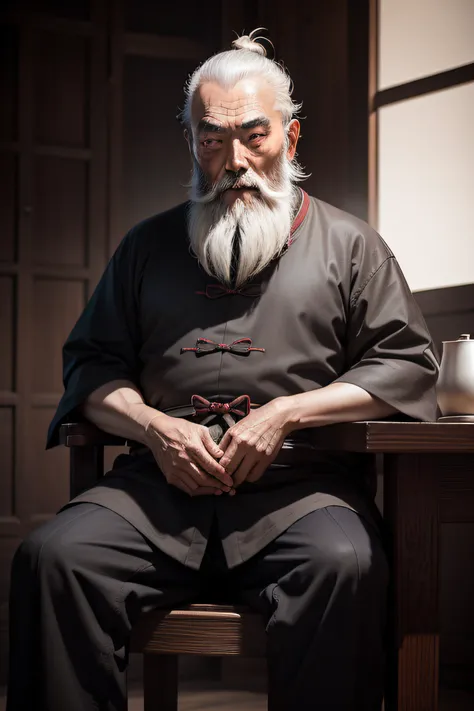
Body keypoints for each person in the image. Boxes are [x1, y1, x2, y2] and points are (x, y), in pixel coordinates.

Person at [7, 30, 438, 711]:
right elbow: (92, 366)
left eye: (254, 137)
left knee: (344, 564)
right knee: (53, 559)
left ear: (290, 140)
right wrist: (153, 430)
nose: (234, 161)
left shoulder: (351, 245)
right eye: (212, 139)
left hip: (300, 494)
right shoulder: (146, 246)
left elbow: (407, 364)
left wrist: (286, 413)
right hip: (155, 493)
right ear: (192, 143)